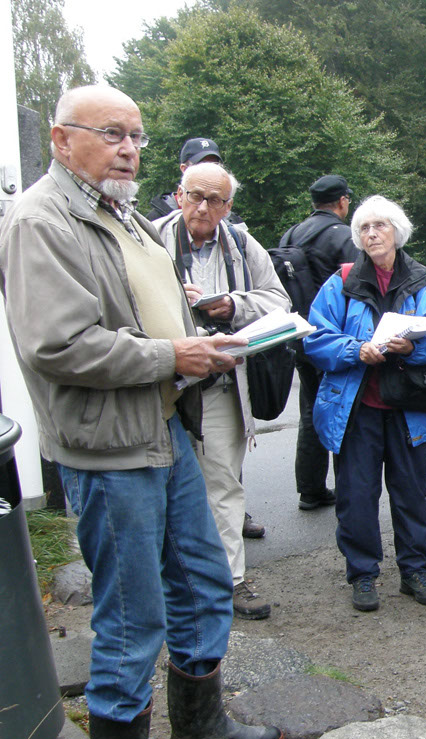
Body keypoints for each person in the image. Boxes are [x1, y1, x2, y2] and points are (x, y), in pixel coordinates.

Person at [0, 84, 282, 739]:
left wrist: (202, 348)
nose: (129, 149)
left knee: (204, 582)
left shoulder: (120, 212)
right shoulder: (40, 220)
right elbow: (57, 344)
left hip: (164, 429)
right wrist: (172, 355)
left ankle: (198, 729)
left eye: (136, 135)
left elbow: (152, 308)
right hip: (107, 448)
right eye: (112, 134)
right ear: (63, 140)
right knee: (132, 618)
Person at [304, 195, 426, 612]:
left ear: (397, 231)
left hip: (408, 407)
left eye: (380, 226)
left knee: (411, 494)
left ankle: (415, 572)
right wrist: (356, 350)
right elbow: (315, 337)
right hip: (357, 409)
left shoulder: (422, 279)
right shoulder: (342, 280)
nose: (371, 234)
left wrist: (409, 348)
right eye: (364, 228)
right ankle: (363, 575)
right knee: (357, 495)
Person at [154, 163, 290, 620]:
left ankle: (230, 581)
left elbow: (278, 300)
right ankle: (168, 584)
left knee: (223, 486)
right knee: (159, 487)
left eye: (216, 200)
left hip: (220, 387)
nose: (203, 207)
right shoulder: (149, 238)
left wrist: (233, 305)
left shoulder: (242, 245)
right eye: (195, 195)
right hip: (157, 385)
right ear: (178, 195)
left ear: (228, 207)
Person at [283, 174, 360, 512]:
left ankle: (311, 488)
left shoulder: (292, 234)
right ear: (343, 201)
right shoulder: (345, 236)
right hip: (336, 340)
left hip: (300, 335)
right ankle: (352, 487)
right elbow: (360, 287)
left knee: (310, 411)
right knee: (345, 409)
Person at [146, 137, 243, 227]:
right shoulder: (155, 220)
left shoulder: (232, 222)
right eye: (200, 165)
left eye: (214, 165)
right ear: (184, 169)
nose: (208, 170)